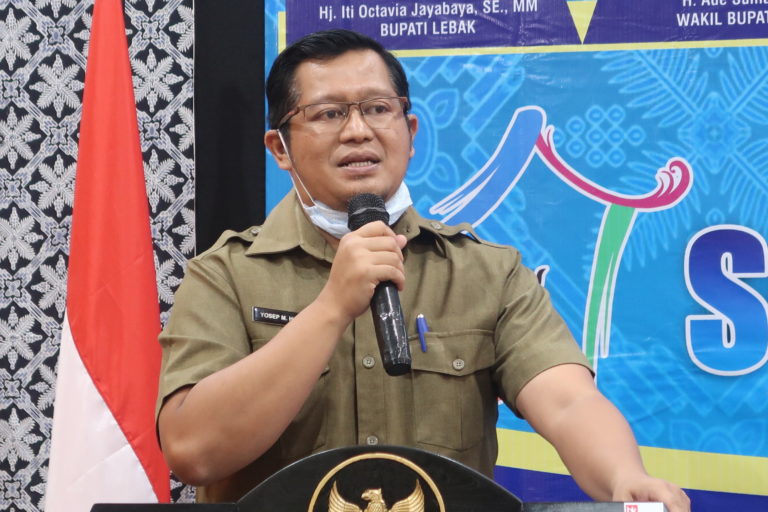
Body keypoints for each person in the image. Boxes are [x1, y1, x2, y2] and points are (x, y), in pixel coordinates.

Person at [156, 29, 690, 511]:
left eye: (378, 109)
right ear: (281, 148)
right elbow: (194, 452)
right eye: (328, 114)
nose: (358, 131)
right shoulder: (224, 275)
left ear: (410, 132)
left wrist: (625, 478)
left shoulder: (487, 273)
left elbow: (569, 401)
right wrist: (331, 308)